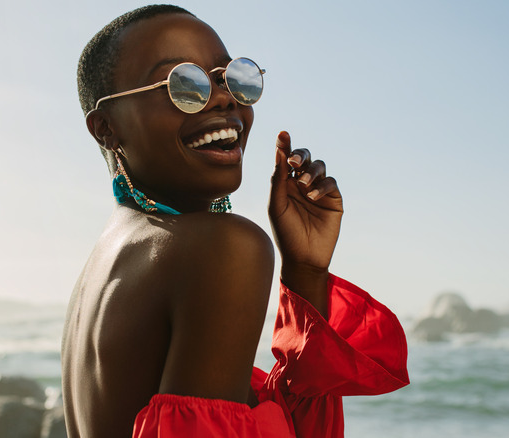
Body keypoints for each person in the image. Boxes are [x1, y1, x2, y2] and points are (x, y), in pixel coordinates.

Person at [61, 5, 409, 437]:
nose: (224, 98)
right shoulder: (222, 246)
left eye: (232, 79)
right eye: (184, 84)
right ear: (107, 128)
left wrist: (306, 273)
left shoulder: (102, 269)